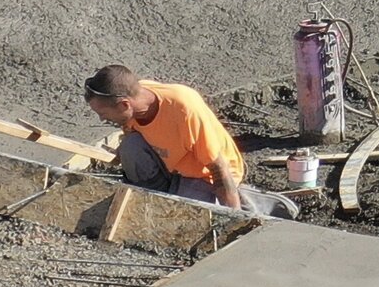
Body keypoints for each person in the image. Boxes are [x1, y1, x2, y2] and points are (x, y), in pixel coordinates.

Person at [82, 65, 295, 217]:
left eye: (104, 113)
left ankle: (254, 204)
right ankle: (159, 195)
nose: (102, 119)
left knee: (188, 218)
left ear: (124, 105)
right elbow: (133, 135)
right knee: (130, 148)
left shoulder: (184, 109)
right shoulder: (136, 97)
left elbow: (218, 168)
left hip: (203, 175)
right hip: (172, 167)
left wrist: (234, 219)